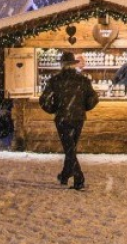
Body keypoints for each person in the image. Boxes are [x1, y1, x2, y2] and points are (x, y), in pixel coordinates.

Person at [39, 50, 99, 190]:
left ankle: (79, 178)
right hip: (78, 118)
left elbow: (44, 100)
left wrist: (53, 109)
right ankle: (65, 175)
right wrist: (83, 108)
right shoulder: (83, 80)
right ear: (73, 64)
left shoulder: (55, 80)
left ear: (62, 65)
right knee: (71, 148)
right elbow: (94, 98)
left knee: (69, 148)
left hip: (62, 118)